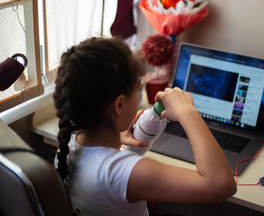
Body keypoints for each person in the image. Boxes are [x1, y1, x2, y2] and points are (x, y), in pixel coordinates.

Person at [53, 37, 236, 216]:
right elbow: (221, 185)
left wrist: (116, 137)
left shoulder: (67, 143)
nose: (138, 96)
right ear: (119, 105)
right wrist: (188, 112)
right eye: (136, 91)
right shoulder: (126, 172)